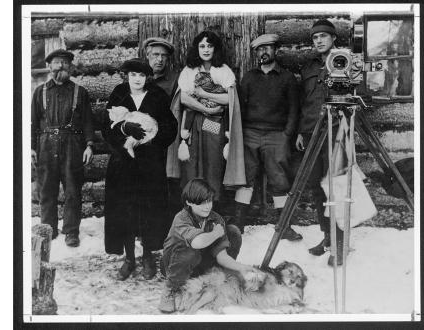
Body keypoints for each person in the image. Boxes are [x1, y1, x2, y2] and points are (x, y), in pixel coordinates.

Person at [102, 59, 177, 280]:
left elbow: (170, 127)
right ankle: (129, 258)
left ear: (147, 77)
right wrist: (123, 128)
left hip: (149, 164)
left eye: (142, 76)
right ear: (127, 76)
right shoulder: (118, 94)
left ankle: (147, 256)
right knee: (124, 209)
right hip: (122, 163)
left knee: (148, 209)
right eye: (133, 75)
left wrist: (151, 142)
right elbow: (106, 128)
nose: (137, 79)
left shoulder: (157, 96)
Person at [232, 34, 302, 240]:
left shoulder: (287, 78)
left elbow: (294, 110)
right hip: (250, 134)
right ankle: (238, 223)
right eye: (260, 49)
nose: (264, 52)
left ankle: (284, 226)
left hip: (276, 135)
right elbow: (241, 108)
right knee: (246, 177)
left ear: (275, 50)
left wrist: (286, 135)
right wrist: (241, 133)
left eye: (268, 48)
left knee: (279, 179)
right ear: (256, 53)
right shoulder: (249, 77)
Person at [173, 30, 245, 211]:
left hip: (214, 124)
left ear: (215, 49)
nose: (206, 50)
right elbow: (183, 98)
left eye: (210, 46)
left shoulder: (223, 71)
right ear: (197, 48)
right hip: (193, 123)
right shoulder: (189, 71)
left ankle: (212, 208)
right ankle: (192, 207)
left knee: (213, 163)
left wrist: (203, 94)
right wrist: (206, 107)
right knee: (192, 164)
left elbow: (229, 99)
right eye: (202, 46)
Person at [158, 178, 255, 313]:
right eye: (202, 203)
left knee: (233, 232)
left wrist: (242, 268)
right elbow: (197, 242)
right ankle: (171, 289)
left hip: (199, 263)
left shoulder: (215, 219)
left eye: (209, 201)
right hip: (175, 266)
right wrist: (215, 234)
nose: (208, 206)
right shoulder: (181, 218)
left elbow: (222, 256)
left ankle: (216, 277)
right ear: (188, 202)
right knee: (191, 252)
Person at [31, 49, 95, 247]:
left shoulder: (80, 92)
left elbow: (88, 123)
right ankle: (47, 229)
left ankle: (71, 232)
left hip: (73, 146)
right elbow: (32, 123)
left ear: (71, 67)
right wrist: (32, 148)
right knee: (46, 190)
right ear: (50, 67)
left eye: (65, 63)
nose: (61, 66)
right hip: (46, 146)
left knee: (73, 190)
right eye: (57, 62)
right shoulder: (40, 92)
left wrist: (89, 146)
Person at [295, 19, 344, 266]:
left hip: (336, 133)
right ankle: (327, 236)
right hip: (312, 134)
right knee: (317, 187)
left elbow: (359, 97)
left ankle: (340, 243)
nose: (319, 41)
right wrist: (301, 132)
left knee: (336, 187)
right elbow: (306, 103)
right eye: (315, 38)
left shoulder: (343, 61)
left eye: (324, 36)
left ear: (333, 38)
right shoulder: (308, 67)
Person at [142, 37, 183, 217]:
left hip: (165, 140)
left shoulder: (175, 79)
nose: (159, 59)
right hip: (142, 138)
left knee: (169, 182)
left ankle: (168, 226)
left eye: (164, 56)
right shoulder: (139, 77)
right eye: (155, 55)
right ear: (147, 55)